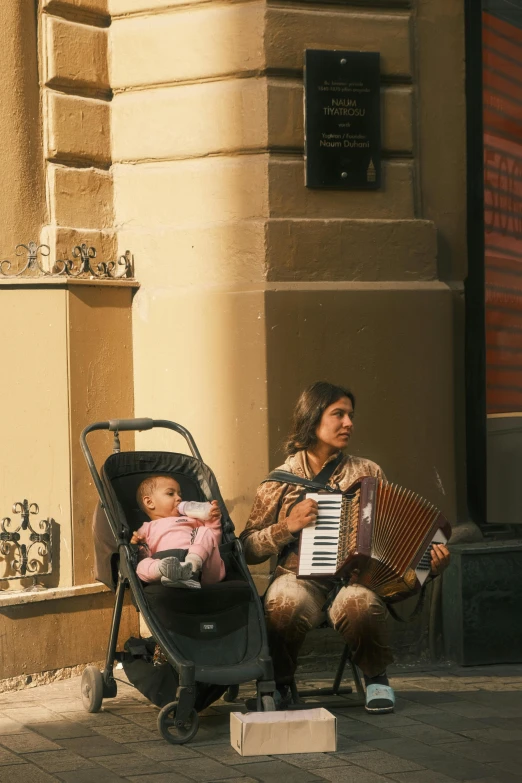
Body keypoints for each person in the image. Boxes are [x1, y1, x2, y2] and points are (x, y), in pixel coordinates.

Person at [240, 381, 450, 713]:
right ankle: (278, 684)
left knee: (360, 603)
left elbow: (393, 538)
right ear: (312, 418)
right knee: (283, 601)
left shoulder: (368, 472)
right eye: (338, 414)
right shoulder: (279, 480)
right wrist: (286, 526)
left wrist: (428, 566)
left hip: (356, 579)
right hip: (300, 578)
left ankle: (376, 678)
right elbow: (247, 549)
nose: (348, 423)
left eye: (350, 415)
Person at [131, 475, 225, 588]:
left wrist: (212, 519)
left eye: (179, 494)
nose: (179, 498)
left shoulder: (192, 519)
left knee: (205, 531)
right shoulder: (147, 528)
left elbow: (213, 541)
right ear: (150, 502)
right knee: (141, 566)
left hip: (203, 570)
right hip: (165, 572)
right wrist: (139, 543)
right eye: (171, 494)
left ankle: (191, 567)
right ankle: (164, 569)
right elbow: (144, 554)